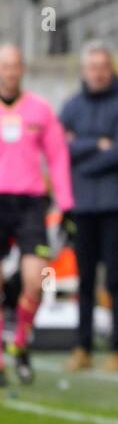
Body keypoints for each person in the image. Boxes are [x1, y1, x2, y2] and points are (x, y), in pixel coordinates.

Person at [60, 41, 118, 373]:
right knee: (84, 279)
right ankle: (83, 346)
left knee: (115, 278)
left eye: (103, 67)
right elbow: (59, 148)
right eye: (91, 67)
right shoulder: (71, 106)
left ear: (112, 69)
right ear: (83, 71)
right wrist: (96, 145)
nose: (97, 73)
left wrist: (83, 158)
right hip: (81, 205)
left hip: (115, 203)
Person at [0, 43, 73, 385]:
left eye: (14, 66)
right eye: (4, 66)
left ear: (22, 69)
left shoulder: (40, 110)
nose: (9, 72)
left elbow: (57, 158)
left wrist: (66, 204)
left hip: (31, 203)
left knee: (36, 279)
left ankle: (20, 343)